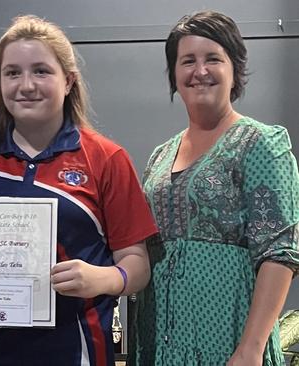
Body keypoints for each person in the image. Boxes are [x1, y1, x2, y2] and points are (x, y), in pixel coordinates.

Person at [0, 15, 158, 366]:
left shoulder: (106, 159)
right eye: (12, 73)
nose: (26, 85)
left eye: (41, 71)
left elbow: (138, 266)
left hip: (79, 351)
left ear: (68, 81)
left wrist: (101, 277)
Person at [131, 10, 299, 366]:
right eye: (187, 61)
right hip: (158, 334)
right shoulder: (160, 156)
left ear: (234, 69)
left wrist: (251, 348)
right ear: (174, 75)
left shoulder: (261, 144)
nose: (200, 71)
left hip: (228, 336)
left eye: (213, 59)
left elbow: (280, 253)